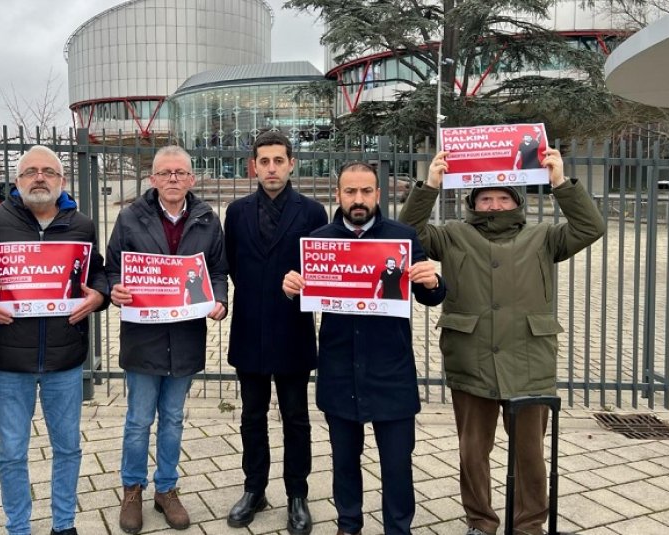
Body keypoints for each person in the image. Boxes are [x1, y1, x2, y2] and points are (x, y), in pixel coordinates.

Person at [399, 149, 605, 535]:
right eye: (485, 198)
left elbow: (590, 228)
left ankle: (529, 525)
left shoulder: (543, 237)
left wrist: (560, 182)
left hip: (528, 358)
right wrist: (429, 186)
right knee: (473, 452)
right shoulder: (453, 235)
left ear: (517, 201)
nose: (494, 205)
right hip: (470, 355)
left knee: (529, 454)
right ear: (473, 202)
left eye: (503, 197)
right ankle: (480, 521)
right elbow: (407, 234)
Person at [0, 145, 109, 535]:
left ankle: (64, 524)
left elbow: (99, 274)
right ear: (17, 182)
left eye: (49, 172)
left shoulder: (82, 225)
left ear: (62, 181)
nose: (40, 177)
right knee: (12, 453)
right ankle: (18, 527)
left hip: (65, 359)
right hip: (8, 361)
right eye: (31, 171)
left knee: (68, 448)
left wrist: (99, 296)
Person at [283, 162, 445, 535]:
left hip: (391, 371)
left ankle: (398, 529)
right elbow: (302, 293)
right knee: (343, 461)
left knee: (397, 464)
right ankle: (349, 524)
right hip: (340, 370)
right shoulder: (319, 240)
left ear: (377, 194)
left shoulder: (401, 237)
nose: (358, 200)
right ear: (338, 195)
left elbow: (429, 295)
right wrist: (291, 287)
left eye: (366, 192)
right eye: (350, 192)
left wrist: (432, 280)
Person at [106, 145, 228, 534]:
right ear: (153, 179)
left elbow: (218, 271)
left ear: (192, 179)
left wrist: (220, 301)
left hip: (186, 336)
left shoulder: (208, 219)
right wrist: (115, 289)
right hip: (143, 337)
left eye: (180, 172)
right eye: (165, 173)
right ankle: (132, 489)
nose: (173, 179)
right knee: (139, 420)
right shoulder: (129, 217)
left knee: (173, 419)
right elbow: (111, 268)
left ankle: (167, 488)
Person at [223, 130, 327, 534]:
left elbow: (320, 270)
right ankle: (255, 489)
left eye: (278, 161)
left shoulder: (313, 212)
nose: (271, 168)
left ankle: (297, 495)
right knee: (252, 416)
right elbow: (231, 263)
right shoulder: (236, 211)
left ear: (291, 164)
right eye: (263, 161)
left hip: (293, 330)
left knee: (297, 418)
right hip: (249, 327)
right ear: (254, 166)